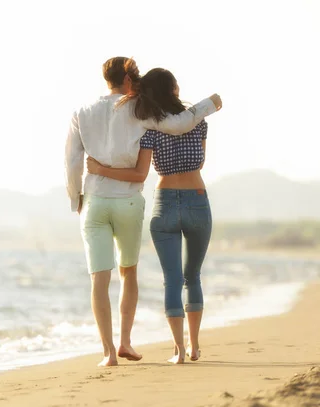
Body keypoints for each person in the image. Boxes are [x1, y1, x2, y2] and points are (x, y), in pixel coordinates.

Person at [65, 57, 221, 367]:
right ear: (127, 80)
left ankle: (111, 352)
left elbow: (71, 162)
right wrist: (209, 104)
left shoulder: (81, 113)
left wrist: (76, 198)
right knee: (132, 272)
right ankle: (130, 342)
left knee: (101, 277)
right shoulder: (140, 111)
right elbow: (179, 125)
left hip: (97, 200)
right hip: (136, 200)